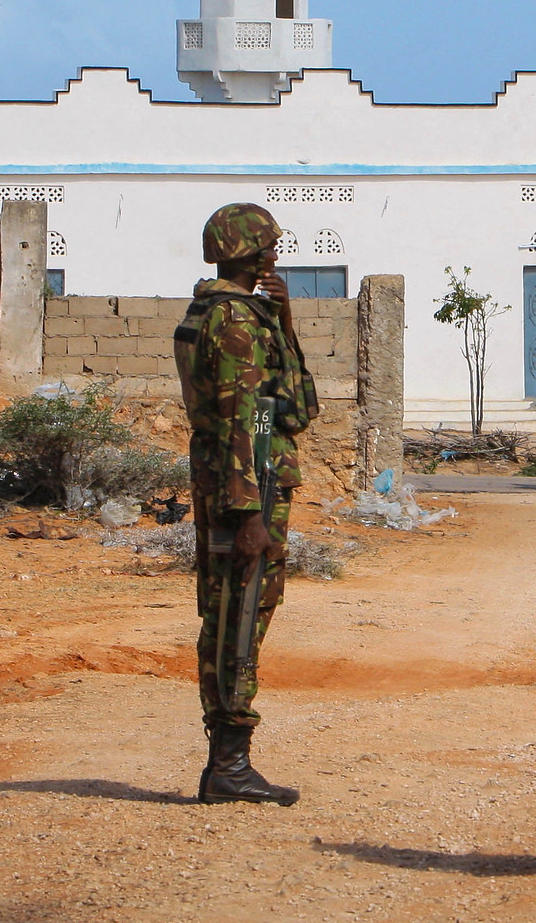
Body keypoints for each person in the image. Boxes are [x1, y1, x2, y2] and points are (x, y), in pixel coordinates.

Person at [174, 203, 317, 806]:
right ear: (250, 254)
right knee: (239, 613)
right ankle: (228, 764)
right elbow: (248, 418)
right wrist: (251, 511)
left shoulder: (229, 312)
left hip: (239, 478)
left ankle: (228, 762)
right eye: (269, 249)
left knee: (234, 611)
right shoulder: (234, 321)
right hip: (245, 484)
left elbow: (297, 408)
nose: (276, 257)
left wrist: (283, 322)